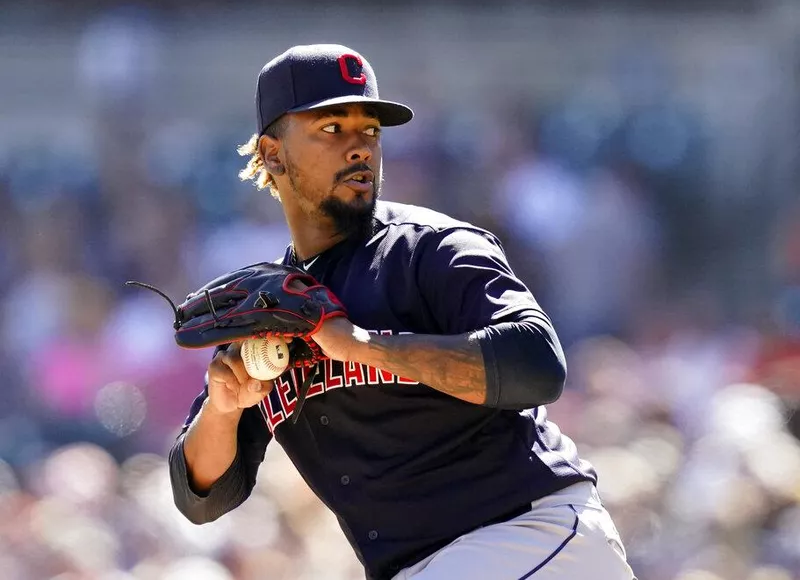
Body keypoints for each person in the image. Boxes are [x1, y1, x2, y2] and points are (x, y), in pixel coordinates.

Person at [168, 44, 636, 580]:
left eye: (369, 130)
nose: (358, 147)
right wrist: (224, 409)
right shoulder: (270, 306)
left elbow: (537, 364)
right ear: (273, 154)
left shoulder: (432, 249)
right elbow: (199, 496)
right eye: (331, 128)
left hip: (527, 536)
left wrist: (362, 346)